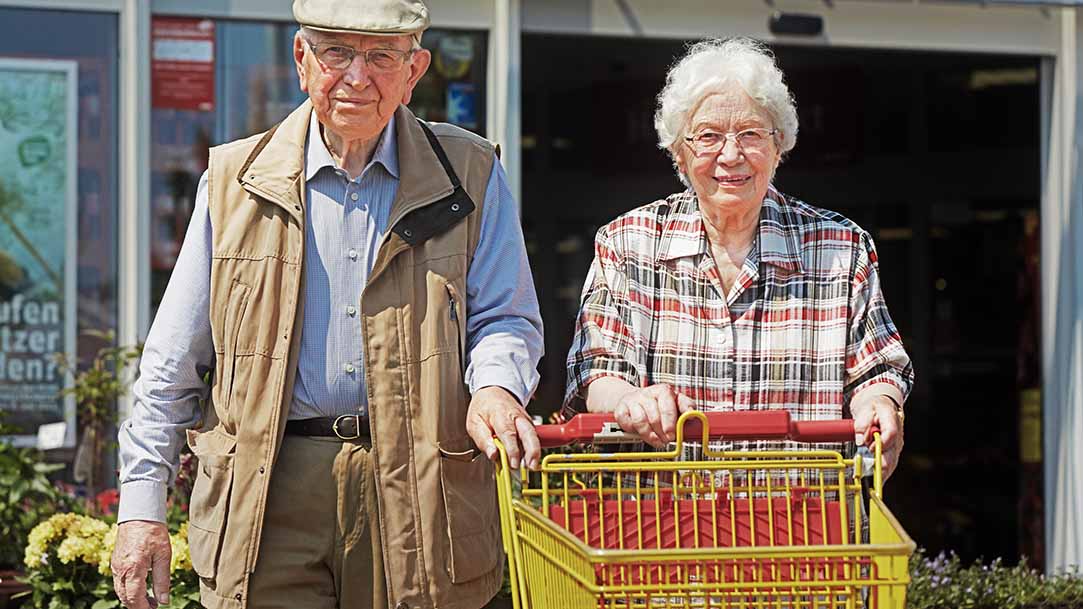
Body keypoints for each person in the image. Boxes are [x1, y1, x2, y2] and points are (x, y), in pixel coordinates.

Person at [110, 2, 544, 608]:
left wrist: (497, 385)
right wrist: (141, 509)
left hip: (421, 489)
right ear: (302, 60)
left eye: (380, 57)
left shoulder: (469, 173)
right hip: (268, 494)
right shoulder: (235, 181)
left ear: (415, 69)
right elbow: (172, 364)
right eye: (336, 52)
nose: (357, 78)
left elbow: (506, 315)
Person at [563, 37, 913, 478]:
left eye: (750, 133)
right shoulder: (626, 244)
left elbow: (877, 370)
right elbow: (597, 372)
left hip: (805, 526)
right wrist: (631, 402)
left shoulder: (840, 247)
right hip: (660, 526)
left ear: (779, 145)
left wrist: (879, 406)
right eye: (708, 136)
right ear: (679, 152)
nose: (731, 155)